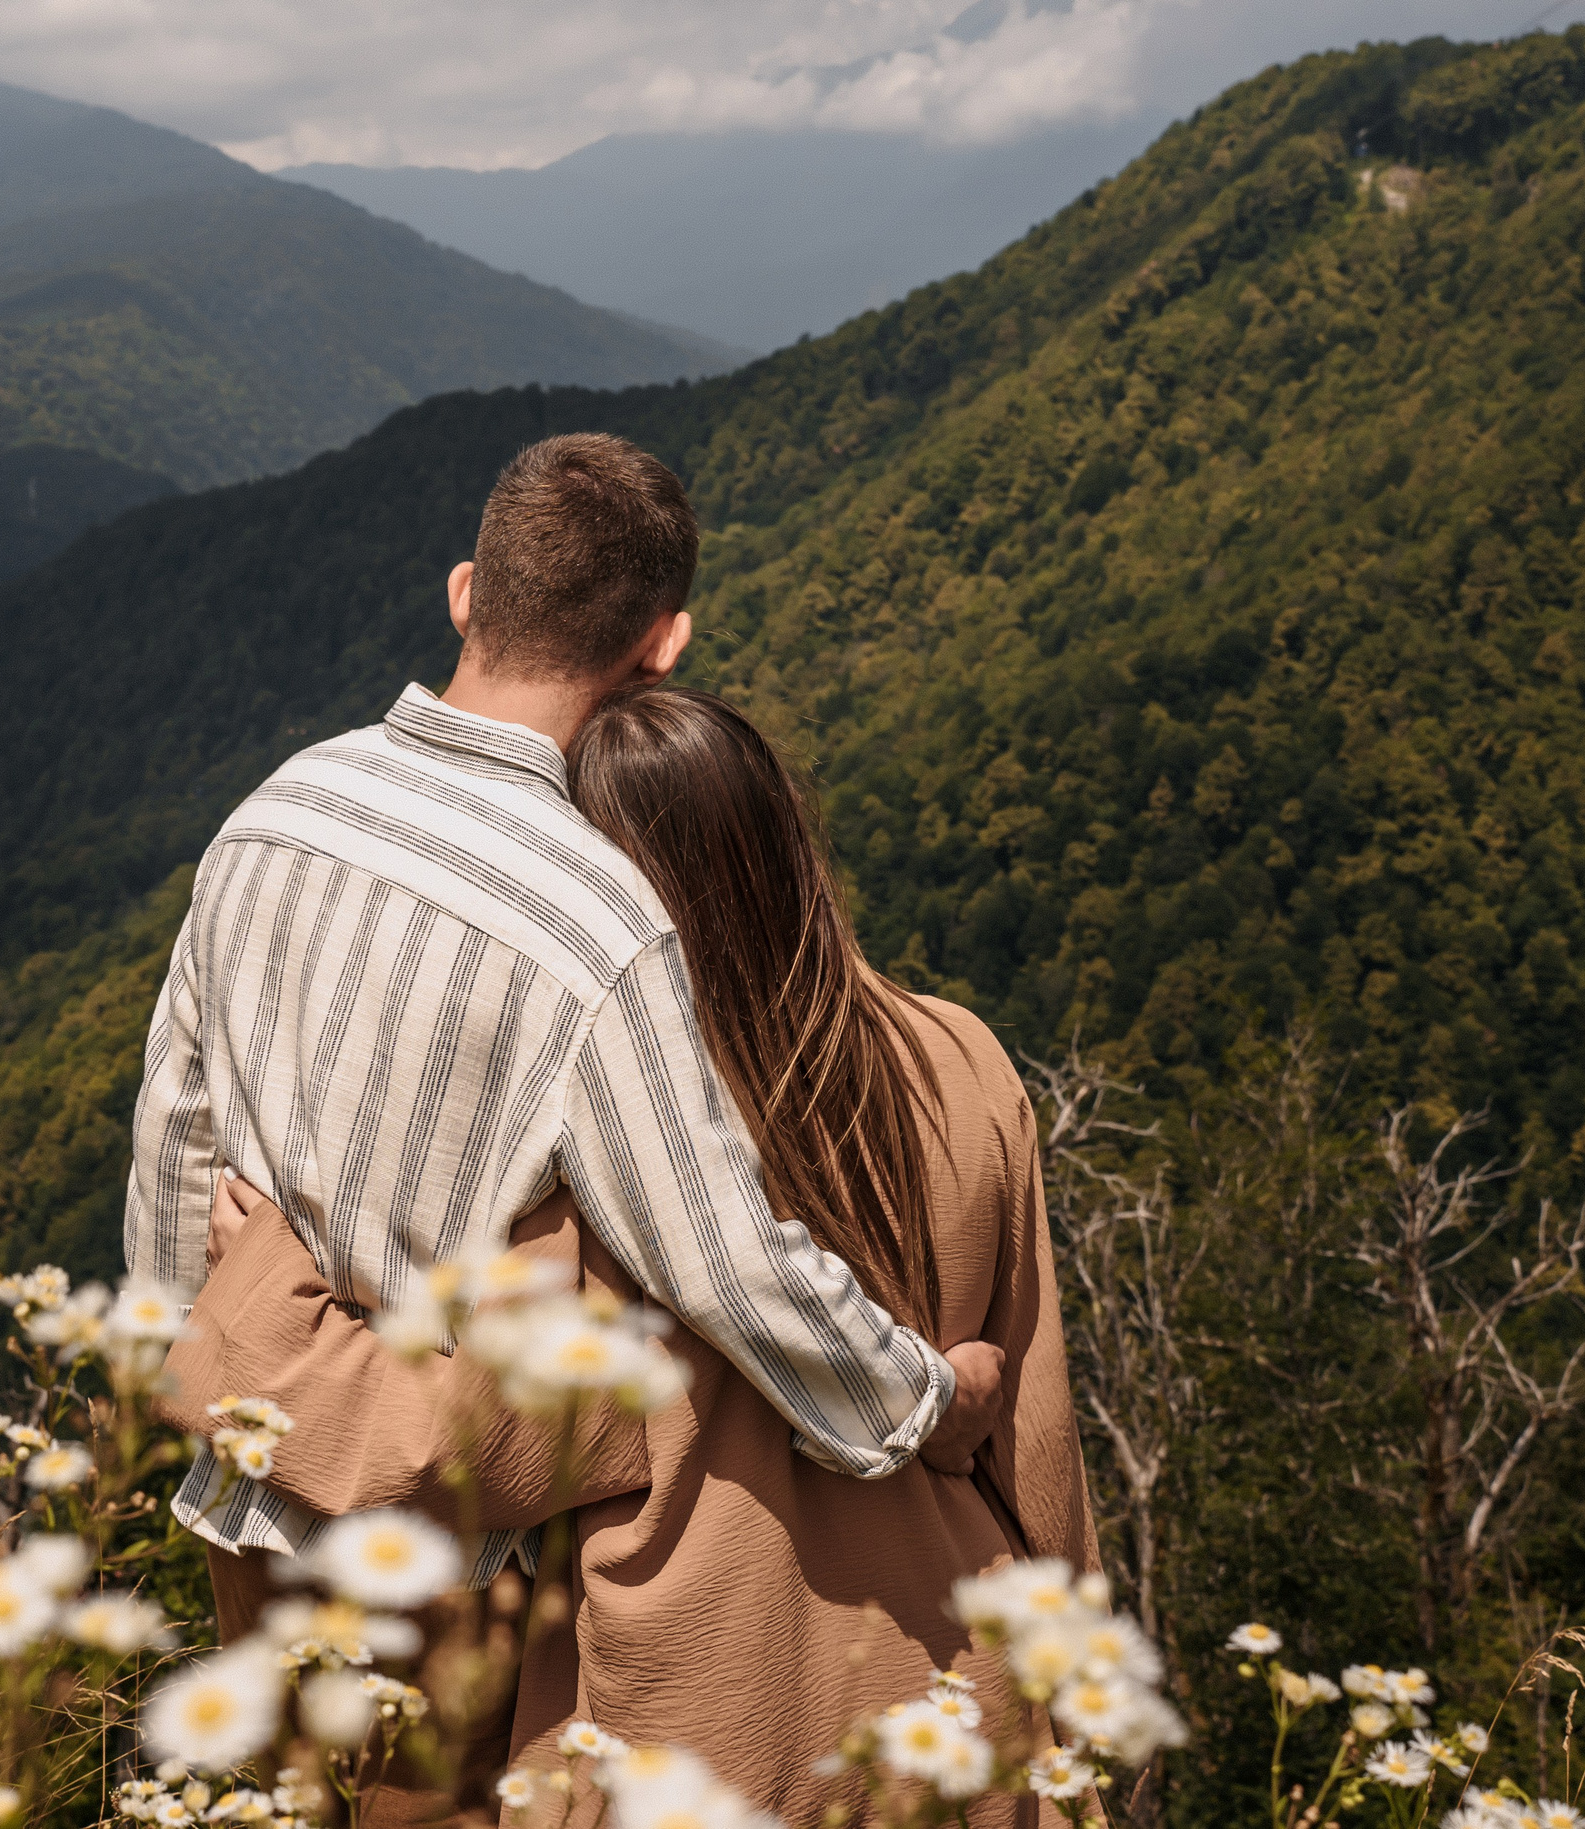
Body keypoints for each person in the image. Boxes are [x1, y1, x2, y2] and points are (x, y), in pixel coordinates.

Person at [121, 436, 1008, 1716]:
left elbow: (175, 1140)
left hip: (249, 1476)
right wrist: (921, 1402)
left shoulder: (275, 811)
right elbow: (725, 1260)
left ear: (465, 593)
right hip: (446, 1540)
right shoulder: (598, 923)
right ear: (663, 646)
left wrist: (193, 1370)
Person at [177, 685, 1099, 1825]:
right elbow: (1039, 1442)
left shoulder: (635, 1170)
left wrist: (260, 1296)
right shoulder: (962, 1058)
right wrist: (1083, 1717)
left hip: (722, 1731)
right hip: (972, 1698)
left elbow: (452, 1449)